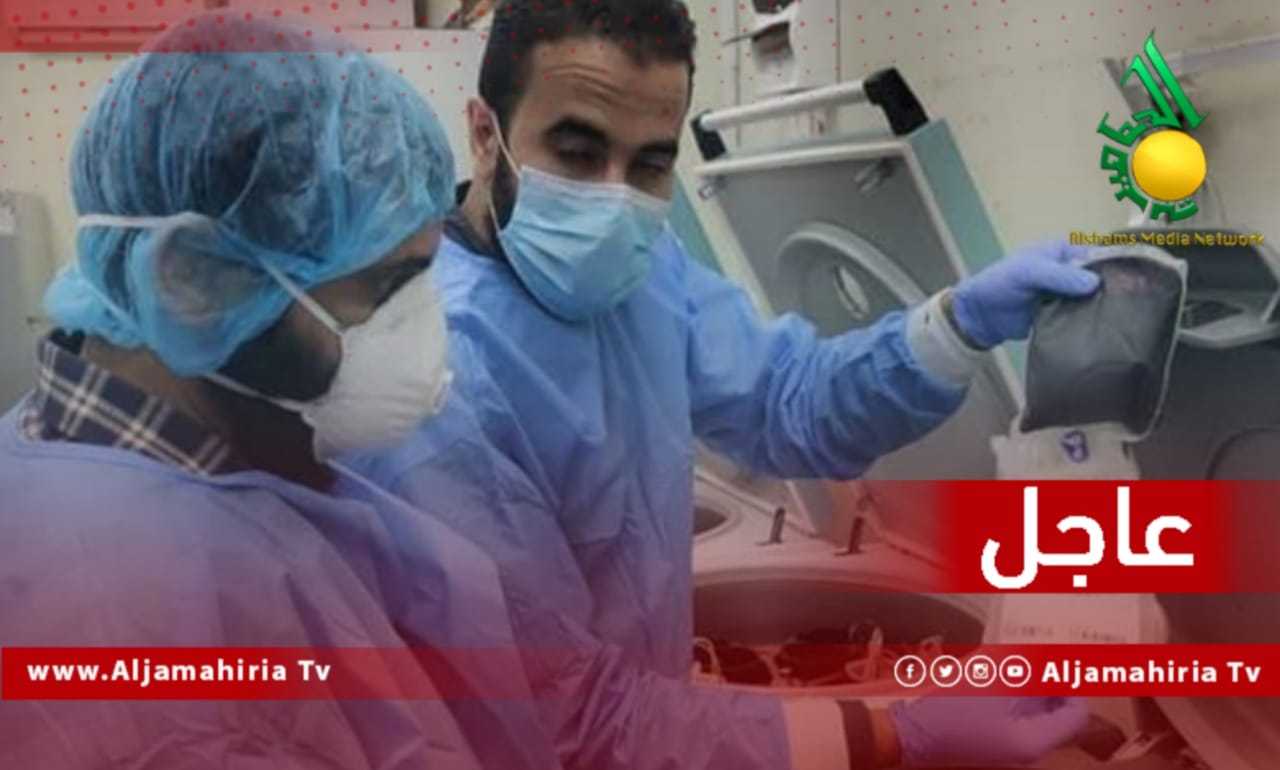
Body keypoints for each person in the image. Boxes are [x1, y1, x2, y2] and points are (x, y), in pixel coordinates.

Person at [347, 1, 1098, 768]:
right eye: (577, 152)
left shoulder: (645, 269)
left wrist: (955, 326)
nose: (614, 198)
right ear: (484, 133)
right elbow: (561, 722)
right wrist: (893, 733)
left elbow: (788, 403)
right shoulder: (430, 380)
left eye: (650, 164)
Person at [0, 16, 556, 769]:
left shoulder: (225, 451)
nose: (420, 328)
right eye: (387, 286)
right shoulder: (136, 630)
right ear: (195, 280)